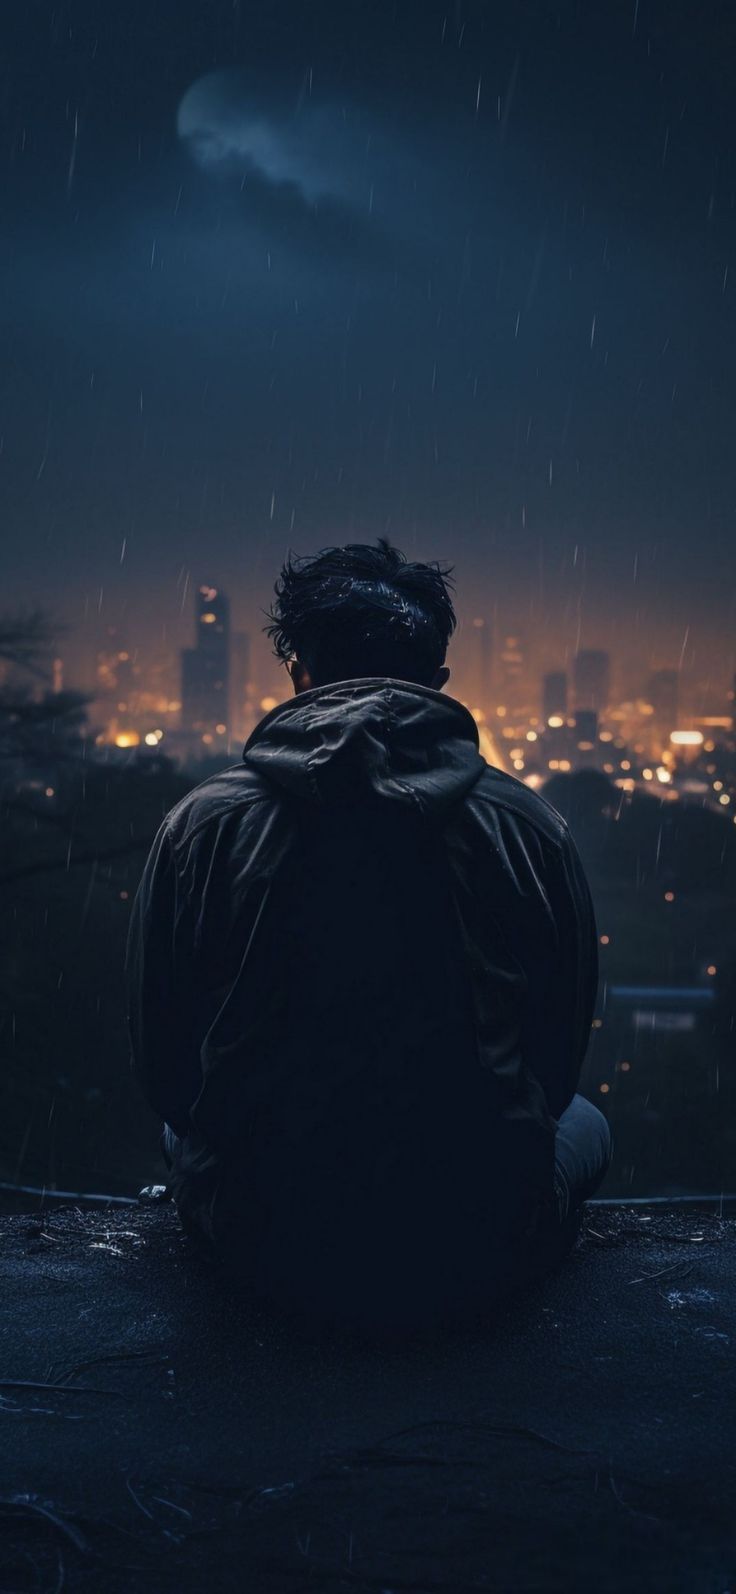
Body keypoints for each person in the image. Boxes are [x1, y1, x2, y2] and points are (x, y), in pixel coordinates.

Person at [126, 540, 611, 1325]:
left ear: (298, 672)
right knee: (587, 1120)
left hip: (260, 1241)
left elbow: (166, 1069)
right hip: (475, 1242)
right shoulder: (527, 825)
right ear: (438, 680)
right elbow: (553, 1072)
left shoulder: (202, 825)